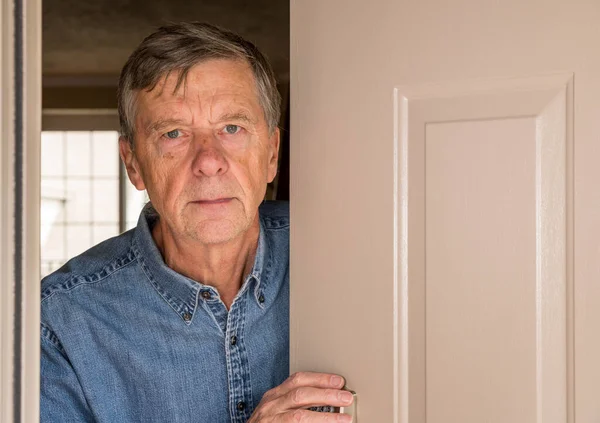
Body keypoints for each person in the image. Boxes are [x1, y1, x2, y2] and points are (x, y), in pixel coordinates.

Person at [40, 22, 354, 422]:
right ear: (133, 164)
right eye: (173, 133)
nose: (208, 161)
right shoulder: (58, 322)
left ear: (272, 153)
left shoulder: (351, 249)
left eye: (232, 128)